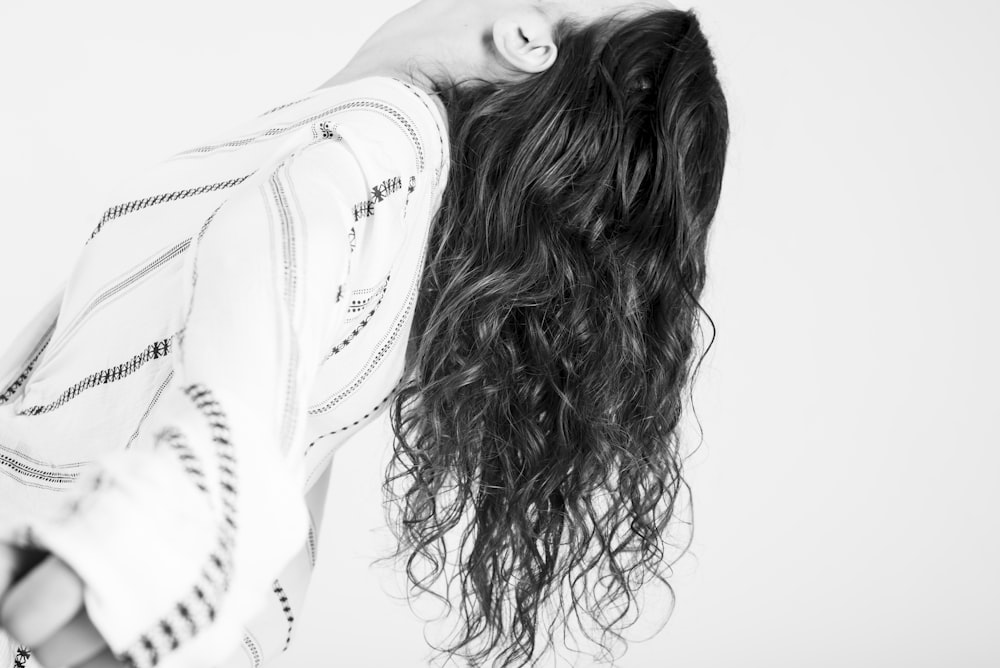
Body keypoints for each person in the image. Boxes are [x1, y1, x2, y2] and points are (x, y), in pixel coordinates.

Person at [0, 0, 729, 666]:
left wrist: (98, 574)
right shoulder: (397, 227)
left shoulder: (381, 145)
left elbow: (241, 429)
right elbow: (273, 522)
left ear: (527, 36)